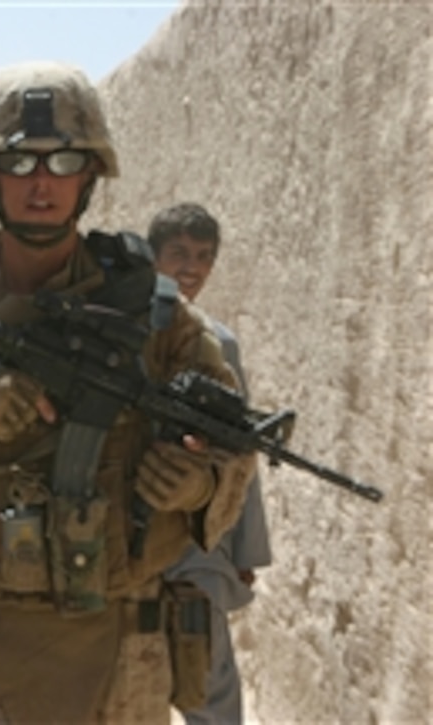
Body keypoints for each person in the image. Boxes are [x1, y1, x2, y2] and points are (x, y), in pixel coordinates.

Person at [0, 61, 257, 723]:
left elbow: (235, 463)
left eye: (63, 162)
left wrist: (198, 484)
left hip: (126, 657)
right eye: (20, 162)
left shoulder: (160, 319)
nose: (42, 183)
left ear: (90, 176)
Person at [151, 203, 274, 725]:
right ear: (152, 258)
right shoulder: (121, 333)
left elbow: (240, 453)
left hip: (196, 541)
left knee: (209, 682)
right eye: (178, 253)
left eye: (203, 256)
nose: (191, 267)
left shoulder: (219, 343)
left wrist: (243, 547)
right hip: (123, 535)